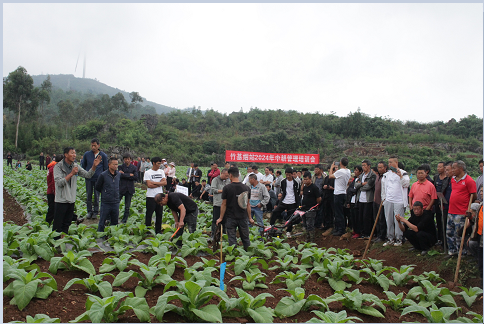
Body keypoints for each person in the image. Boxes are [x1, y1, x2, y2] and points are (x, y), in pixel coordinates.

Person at [53, 147, 101, 235]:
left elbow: (88, 175)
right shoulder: (58, 166)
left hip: (71, 200)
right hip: (61, 200)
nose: (74, 155)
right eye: (72, 153)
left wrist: (94, 166)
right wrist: (71, 174)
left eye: (75, 153)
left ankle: (63, 242)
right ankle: (55, 243)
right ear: (66, 155)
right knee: (58, 225)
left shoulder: (76, 166)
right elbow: (59, 183)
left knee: (67, 224)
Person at [216, 167, 255, 251]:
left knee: (232, 239)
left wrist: (221, 218)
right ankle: (248, 256)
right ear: (238, 175)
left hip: (231, 217)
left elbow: (224, 204)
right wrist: (250, 218)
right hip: (243, 217)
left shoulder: (227, 188)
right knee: (245, 238)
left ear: (230, 175)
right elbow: (248, 204)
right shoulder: (246, 188)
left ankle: (234, 256)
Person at [446, 160, 476, 257]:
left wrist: (469, 209)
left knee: (458, 234)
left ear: (461, 168)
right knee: (449, 232)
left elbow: (473, 196)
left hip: (461, 212)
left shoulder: (469, 181)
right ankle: (452, 250)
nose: (452, 170)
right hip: (451, 211)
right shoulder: (453, 179)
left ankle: (461, 253)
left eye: (454, 168)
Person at [381, 156, 410, 247]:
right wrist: (384, 199)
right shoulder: (387, 175)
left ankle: (399, 239)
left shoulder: (403, 173)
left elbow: (406, 184)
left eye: (391, 162)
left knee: (398, 220)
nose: (389, 164)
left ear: (396, 163)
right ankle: (390, 238)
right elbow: (383, 188)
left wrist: (400, 176)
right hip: (388, 200)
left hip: (399, 200)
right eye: (388, 162)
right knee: (388, 219)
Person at [81, 138, 109, 219]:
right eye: (92, 145)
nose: (93, 147)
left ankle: (96, 212)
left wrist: (104, 179)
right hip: (89, 179)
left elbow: (105, 168)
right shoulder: (87, 154)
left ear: (98, 145)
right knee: (89, 195)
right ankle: (89, 211)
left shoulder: (103, 155)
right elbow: (83, 166)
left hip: (98, 179)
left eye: (95, 145)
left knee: (97, 196)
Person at [270, 168, 300, 238]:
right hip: (284, 201)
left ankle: (288, 231)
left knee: (290, 218)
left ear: (292, 174)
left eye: (289, 175)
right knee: (275, 212)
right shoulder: (283, 181)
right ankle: (271, 225)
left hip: (292, 202)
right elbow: (283, 191)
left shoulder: (296, 182)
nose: (288, 176)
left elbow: (297, 193)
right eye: (286, 175)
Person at [95, 157, 121, 233]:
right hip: (106, 202)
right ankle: (100, 235)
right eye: (114, 164)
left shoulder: (118, 175)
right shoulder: (103, 175)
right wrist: (105, 193)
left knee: (115, 221)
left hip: (116, 201)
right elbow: (97, 187)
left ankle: (112, 235)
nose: (116, 166)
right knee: (102, 220)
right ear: (109, 164)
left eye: (117, 164)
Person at [328, 158, 351, 236]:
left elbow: (330, 176)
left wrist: (331, 167)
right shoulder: (348, 171)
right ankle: (339, 228)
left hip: (338, 193)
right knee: (341, 212)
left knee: (338, 212)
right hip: (344, 193)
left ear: (340, 163)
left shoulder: (340, 171)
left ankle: (340, 229)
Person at [144, 157, 167, 234]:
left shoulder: (161, 171)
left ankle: (158, 231)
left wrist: (154, 182)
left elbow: (165, 183)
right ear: (153, 163)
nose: (160, 165)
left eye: (160, 163)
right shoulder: (148, 172)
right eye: (158, 163)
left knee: (159, 214)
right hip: (151, 196)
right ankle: (148, 231)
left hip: (160, 196)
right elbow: (149, 185)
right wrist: (160, 184)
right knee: (149, 214)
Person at [354, 160, 376, 239]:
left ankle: (367, 233)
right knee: (360, 217)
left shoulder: (372, 175)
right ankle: (362, 232)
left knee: (366, 217)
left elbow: (368, 186)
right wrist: (362, 184)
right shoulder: (361, 175)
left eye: (365, 165)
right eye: (362, 165)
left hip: (368, 199)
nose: (363, 167)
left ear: (369, 166)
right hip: (360, 199)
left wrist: (360, 186)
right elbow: (355, 185)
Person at [300, 171, 322, 242]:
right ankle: (307, 239)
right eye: (304, 179)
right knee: (305, 225)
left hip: (311, 209)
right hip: (304, 209)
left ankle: (312, 240)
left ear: (310, 179)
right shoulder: (305, 187)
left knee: (310, 225)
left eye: (306, 179)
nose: (305, 181)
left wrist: (315, 206)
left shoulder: (314, 188)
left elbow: (318, 198)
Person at [210, 169, 230, 240]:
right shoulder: (215, 180)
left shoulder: (228, 181)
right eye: (226, 175)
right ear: (222, 173)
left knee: (225, 220)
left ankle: (223, 234)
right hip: (218, 203)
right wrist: (223, 191)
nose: (227, 177)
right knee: (216, 220)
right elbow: (213, 190)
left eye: (228, 176)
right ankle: (213, 235)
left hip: (226, 204)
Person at [118, 153, 138, 224]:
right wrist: (129, 175)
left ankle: (124, 220)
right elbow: (119, 175)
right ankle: (114, 218)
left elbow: (135, 177)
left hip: (129, 189)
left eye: (128, 159)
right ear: (123, 160)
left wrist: (124, 174)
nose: (127, 160)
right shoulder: (120, 167)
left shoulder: (134, 167)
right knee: (116, 204)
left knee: (127, 206)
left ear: (130, 159)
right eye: (126, 159)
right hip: (121, 188)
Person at [433, 161, 449, 245]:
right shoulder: (436, 177)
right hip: (437, 202)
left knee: (444, 221)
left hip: (444, 203)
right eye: (437, 167)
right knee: (438, 220)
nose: (438, 169)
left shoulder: (448, 178)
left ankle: (445, 240)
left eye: (440, 167)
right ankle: (439, 238)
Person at [372, 161, 388, 243]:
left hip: (383, 201)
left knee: (382, 219)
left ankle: (382, 236)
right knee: (376, 219)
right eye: (378, 167)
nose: (379, 169)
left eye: (381, 167)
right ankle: (378, 235)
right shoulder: (377, 176)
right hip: (376, 201)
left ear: (385, 167)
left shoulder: (386, 177)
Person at [467, 203, 483, 276]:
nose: (481, 193)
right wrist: (470, 217)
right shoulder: (481, 205)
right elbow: (477, 220)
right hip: (480, 235)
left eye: (482, 191)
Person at [46, 154, 62, 225]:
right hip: (53, 193)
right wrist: (56, 193)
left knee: (54, 208)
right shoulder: (55, 169)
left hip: (50, 191)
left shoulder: (51, 167)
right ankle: (48, 223)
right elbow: (54, 182)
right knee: (52, 209)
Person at [347, 166, 362, 238]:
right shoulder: (355, 179)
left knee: (357, 217)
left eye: (356, 170)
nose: (355, 172)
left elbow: (356, 189)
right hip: (352, 200)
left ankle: (358, 231)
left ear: (360, 172)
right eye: (355, 170)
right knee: (352, 216)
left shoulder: (361, 179)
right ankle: (354, 230)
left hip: (357, 200)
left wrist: (353, 191)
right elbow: (350, 189)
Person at [321, 164, 336, 232]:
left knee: (332, 211)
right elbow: (323, 185)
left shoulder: (335, 177)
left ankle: (332, 225)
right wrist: (325, 187)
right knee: (326, 211)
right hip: (326, 196)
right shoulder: (326, 178)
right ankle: (326, 224)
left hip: (332, 196)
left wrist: (331, 188)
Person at [312, 164, 326, 229]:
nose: (315, 171)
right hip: (314, 196)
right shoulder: (313, 177)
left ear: (320, 170)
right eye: (315, 169)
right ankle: (314, 224)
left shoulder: (324, 177)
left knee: (321, 210)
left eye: (317, 169)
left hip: (321, 195)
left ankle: (319, 224)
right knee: (314, 210)